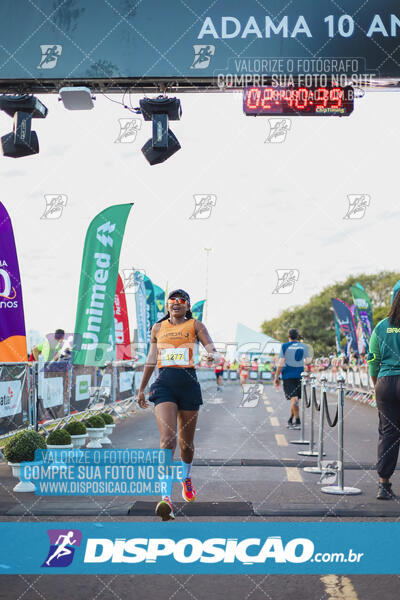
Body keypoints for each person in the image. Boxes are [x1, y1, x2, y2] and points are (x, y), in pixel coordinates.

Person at [137, 289, 219, 521]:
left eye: (181, 301)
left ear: (187, 306)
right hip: (164, 385)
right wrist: (141, 388)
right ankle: (165, 498)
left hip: (189, 384)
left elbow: (211, 349)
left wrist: (213, 356)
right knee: (168, 440)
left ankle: (186, 477)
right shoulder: (158, 328)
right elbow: (152, 358)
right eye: (172, 301)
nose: (176, 304)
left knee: (186, 444)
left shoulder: (195, 325)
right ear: (167, 305)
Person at [368, 289, 400, 500]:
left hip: (385, 383)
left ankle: (383, 485)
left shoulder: (381, 326)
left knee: (388, 434)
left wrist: (376, 384)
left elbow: (373, 360)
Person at [273, 328, 310, 429]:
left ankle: (297, 421)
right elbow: (308, 361)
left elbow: (280, 363)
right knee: (295, 399)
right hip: (299, 375)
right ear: (297, 336)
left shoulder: (285, 346)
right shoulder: (303, 346)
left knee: (294, 399)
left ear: (288, 336)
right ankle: (290, 420)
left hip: (288, 376)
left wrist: (276, 377)